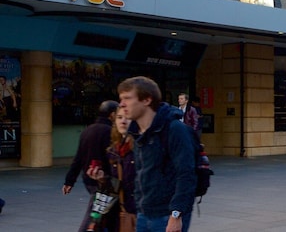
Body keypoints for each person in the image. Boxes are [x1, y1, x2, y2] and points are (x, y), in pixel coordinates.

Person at [117, 76, 196, 232]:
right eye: (121, 99)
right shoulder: (136, 132)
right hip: (144, 214)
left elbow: (186, 174)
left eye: (127, 98)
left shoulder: (174, 129)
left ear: (147, 100)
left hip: (167, 216)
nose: (121, 104)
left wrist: (176, 215)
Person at [63, 100, 120, 232]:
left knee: (102, 210)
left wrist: (69, 181)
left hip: (89, 178)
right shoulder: (109, 132)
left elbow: (78, 158)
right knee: (96, 212)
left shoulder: (87, 130)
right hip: (104, 180)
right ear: (112, 115)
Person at [86, 106, 138, 231]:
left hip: (137, 213)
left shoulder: (140, 148)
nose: (123, 121)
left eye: (127, 118)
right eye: (119, 117)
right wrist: (102, 178)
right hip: (119, 213)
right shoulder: (114, 150)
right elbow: (114, 186)